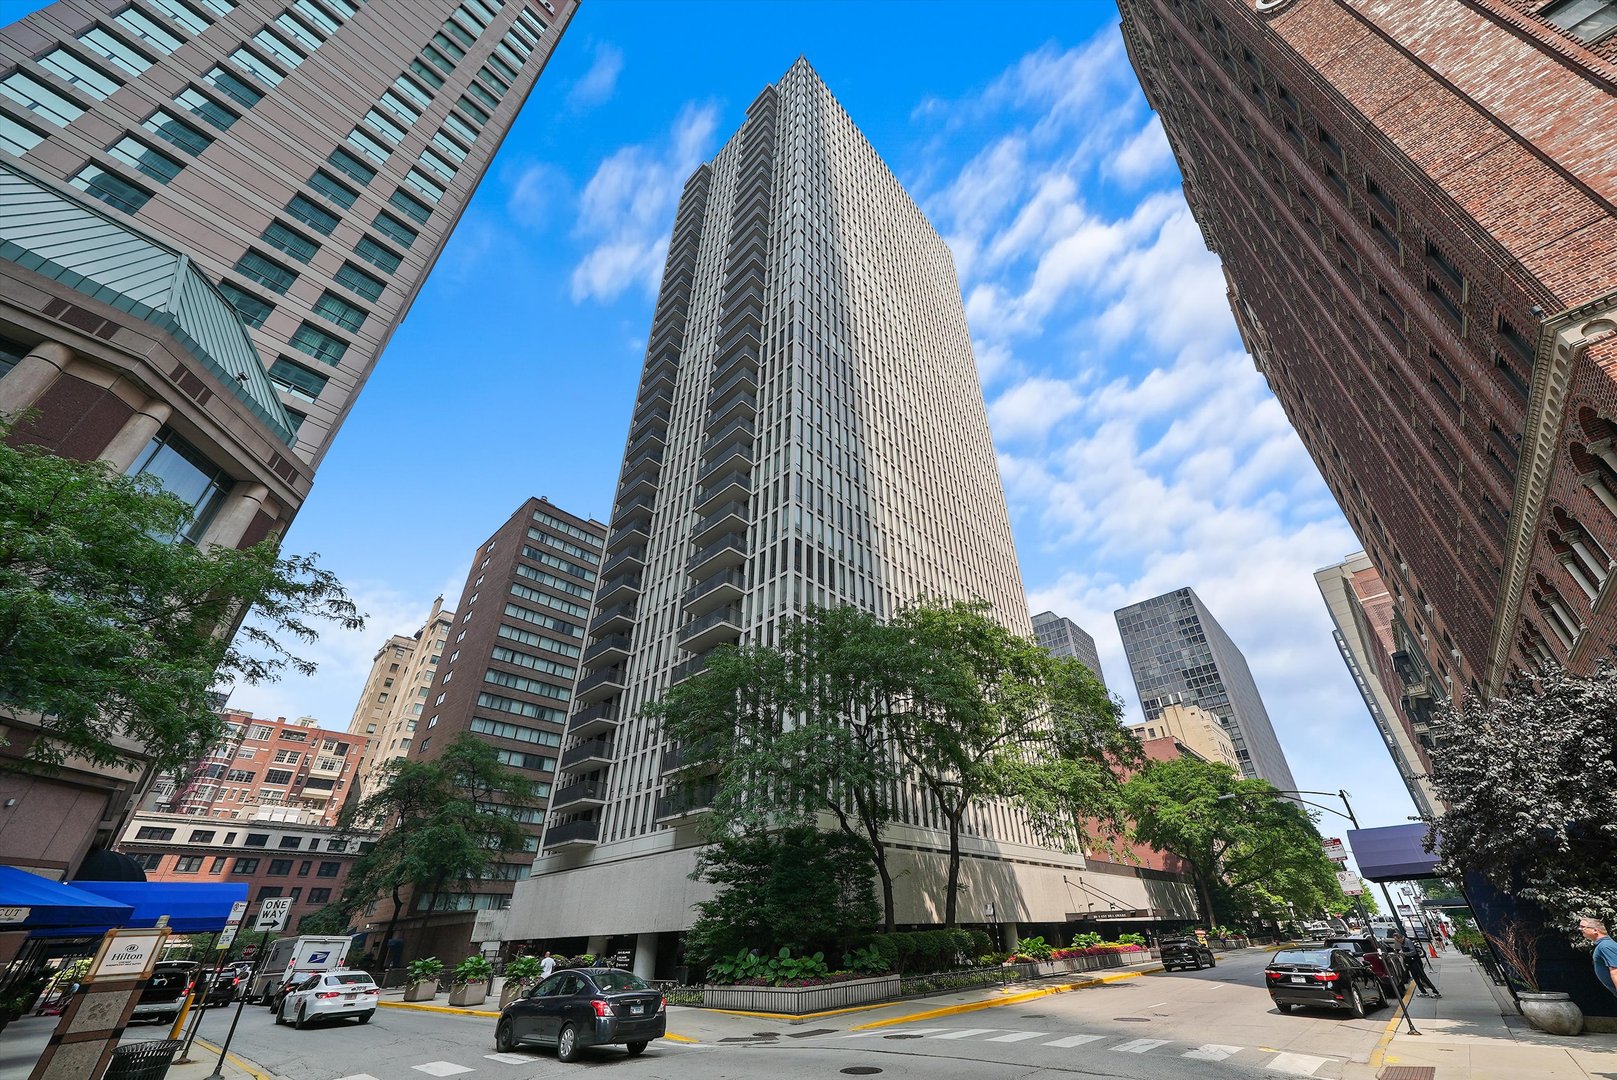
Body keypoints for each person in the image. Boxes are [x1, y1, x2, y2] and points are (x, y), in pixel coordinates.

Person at [1578, 917, 1617, 999]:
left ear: (1595, 930)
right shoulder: (1604, 945)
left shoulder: (1605, 946)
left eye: (1583, 927)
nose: (1580, 929)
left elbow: (1615, 971)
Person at [1395, 933, 1440, 997]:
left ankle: (1435, 991)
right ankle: (1423, 991)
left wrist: (1404, 953)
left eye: (1397, 939)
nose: (1397, 941)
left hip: (1415, 962)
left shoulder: (1408, 941)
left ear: (1400, 938)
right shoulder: (1402, 943)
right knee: (1415, 978)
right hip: (1410, 962)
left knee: (1423, 977)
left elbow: (1413, 952)